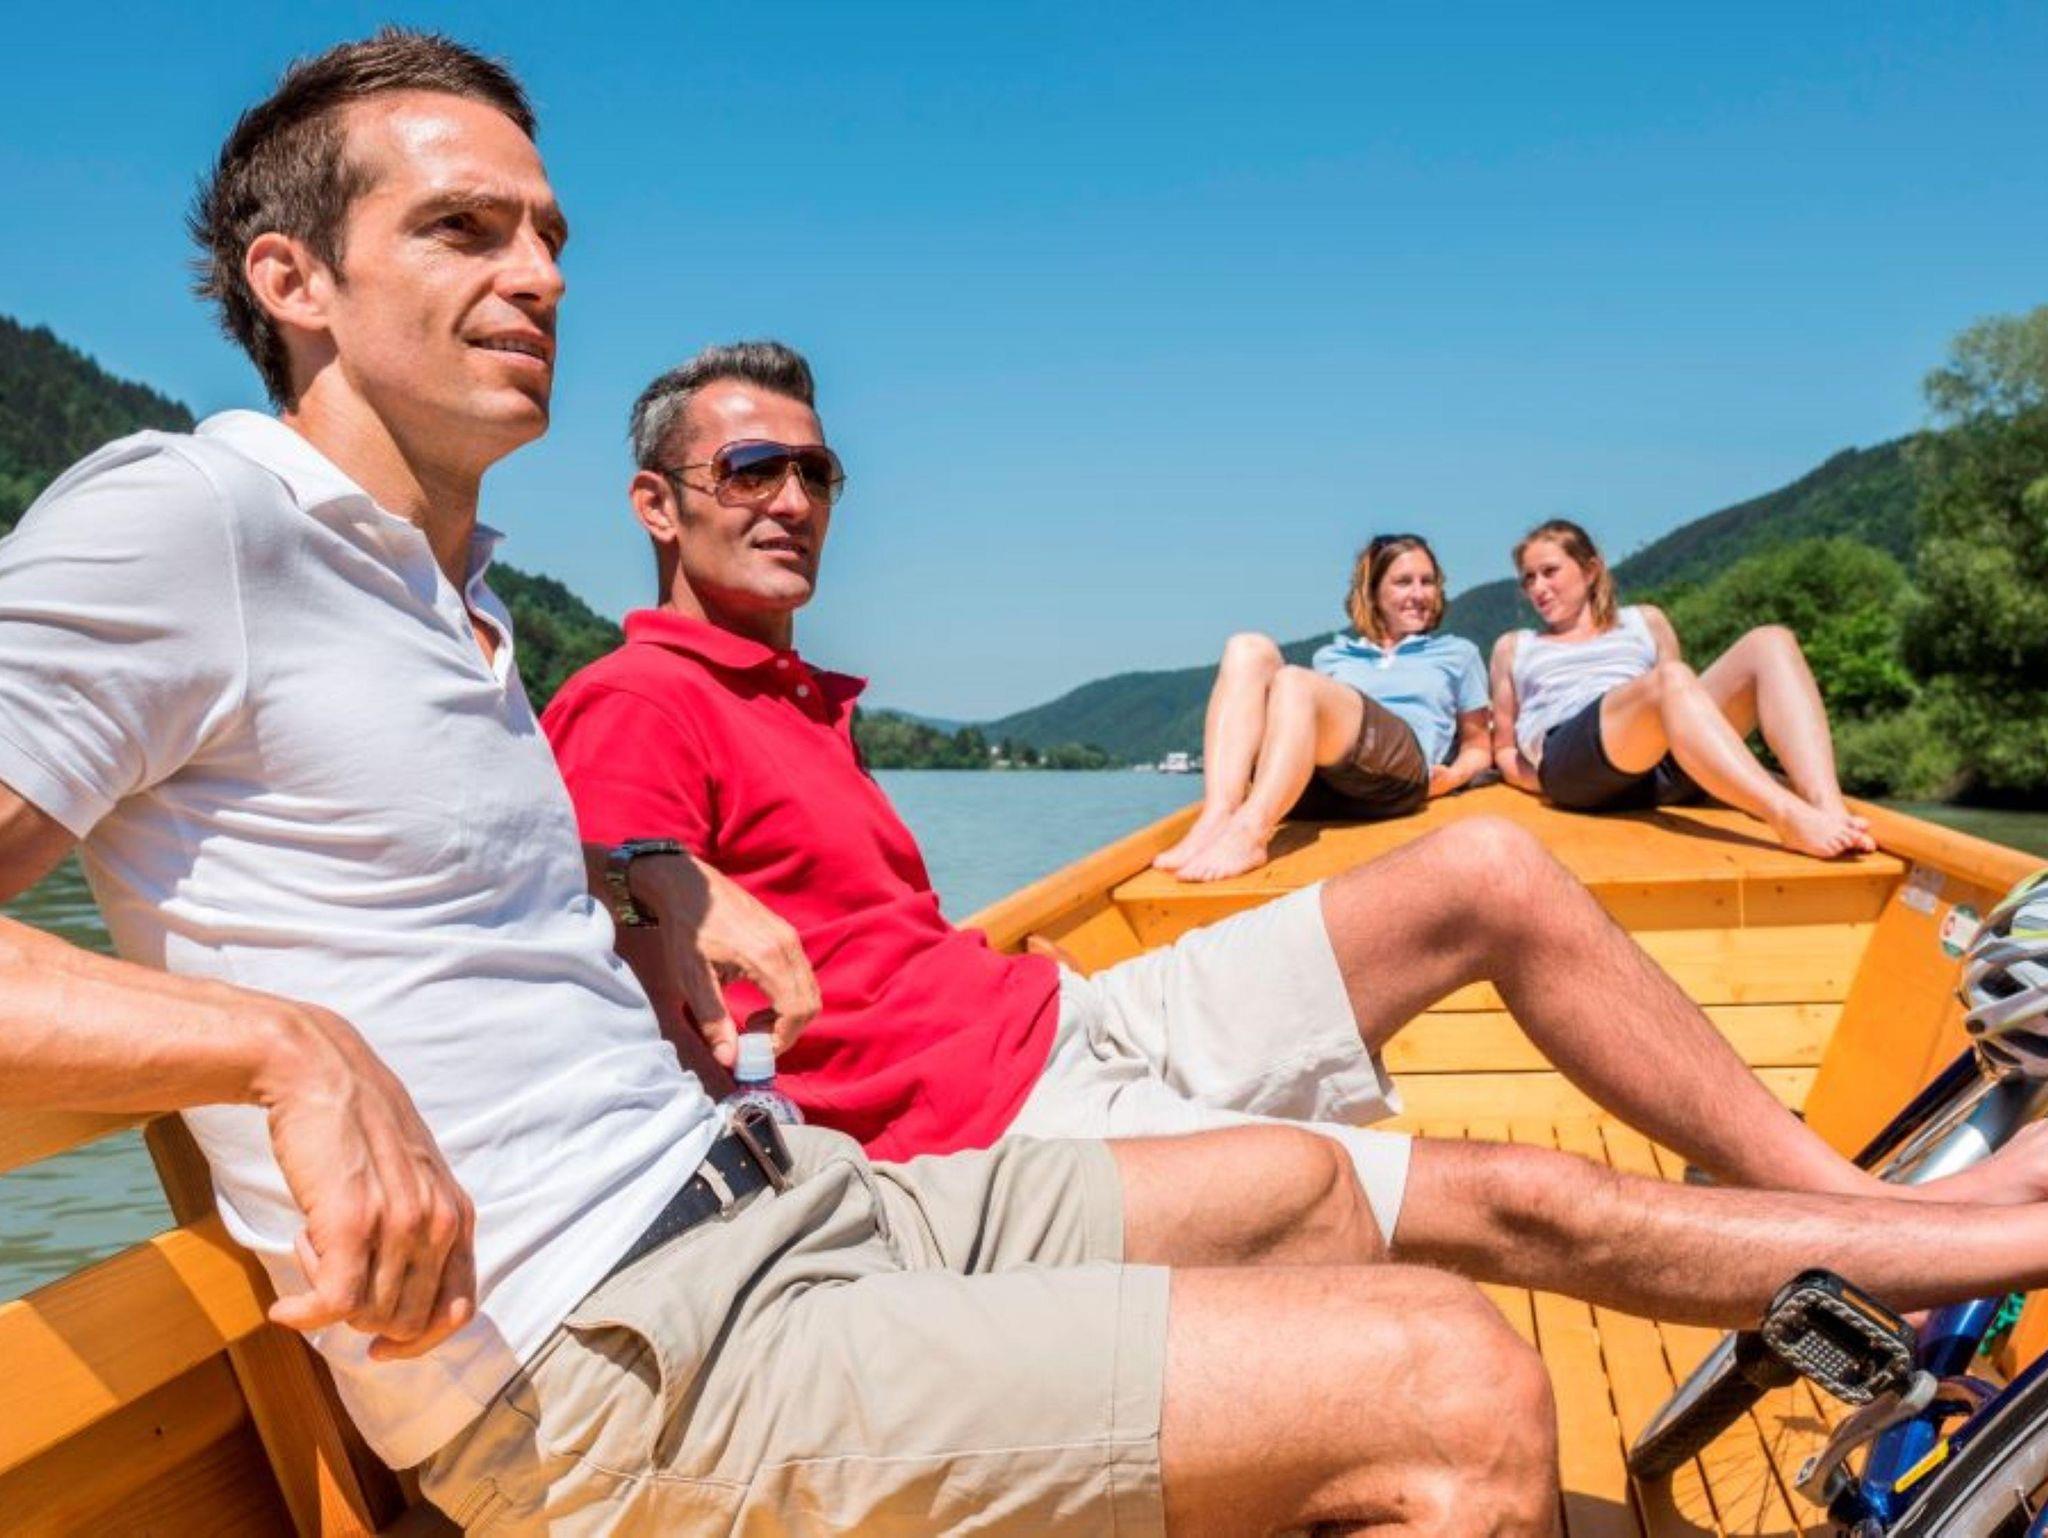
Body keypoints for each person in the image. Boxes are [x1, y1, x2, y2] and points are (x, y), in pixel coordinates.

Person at [6, 44, 2047, 1538]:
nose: (536, 270)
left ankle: (1924, 1241)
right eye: (461, 228)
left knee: (1358, 1190)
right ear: (294, 280)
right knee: (1455, 1379)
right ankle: (1920, 1242)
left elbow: (418, 898)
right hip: (610, 1349)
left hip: (784, 1205)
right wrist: (275, 1050)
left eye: (549, 232)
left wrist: (635, 877)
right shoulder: (192, 517)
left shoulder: (441, 604)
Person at [542, 339, 2048, 1238]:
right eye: (750, 471)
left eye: (814, 473)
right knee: (1495, 1187)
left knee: (1494, 871)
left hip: (1064, 1011)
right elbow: (586, 895)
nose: (794, 500)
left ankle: (1821, 1183)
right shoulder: (634, 699)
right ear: (657, 505)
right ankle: (1921, 1235)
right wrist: (640, 874)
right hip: (993, 1127)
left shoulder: (793, 696)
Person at [1491, 518, 1875, 859]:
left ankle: (1828, 806)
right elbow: (1504, 747)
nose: (1538, 588)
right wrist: (1543, 780)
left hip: (1660, 768)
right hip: (1577, 769)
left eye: (1549, 572)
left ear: (1590, 571)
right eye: (1528, 579)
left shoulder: (1646, 621)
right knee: (1669, 678)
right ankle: (1785, 815)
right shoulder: (1516, 646)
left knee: (1770, 641)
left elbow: (1685, 701)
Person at [1153, 532, 1491, 882]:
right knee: (1247, 648)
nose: (1419, 594)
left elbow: (1479, 746)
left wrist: (1453, 778)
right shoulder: (1332, 656)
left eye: (1427, 582)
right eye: (1404, 582)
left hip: (1394, 781)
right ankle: (1218, 814)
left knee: (1295, 681)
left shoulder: (1457, 653)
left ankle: (1249, 834)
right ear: (1373, 591)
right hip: (1319, 788)